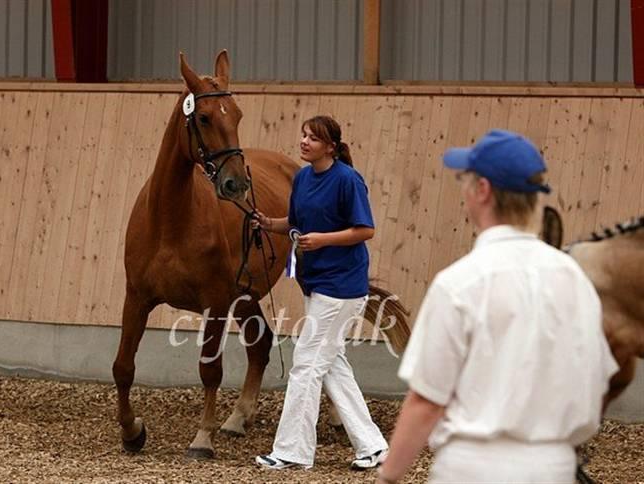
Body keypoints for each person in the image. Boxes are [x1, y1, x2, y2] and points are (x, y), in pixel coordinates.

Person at [376, 129, 619, 484]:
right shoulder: (574, 278)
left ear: (483, 190)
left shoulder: (459, 283)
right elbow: (597, 378)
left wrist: (390, 476)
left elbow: (427, 401)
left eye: (465, 181)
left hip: (474, 466)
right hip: (553, 465)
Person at [252, 115, 388, 470]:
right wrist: (269, 223)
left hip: (342, 287)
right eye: (303, 135)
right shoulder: (302, 178)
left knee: (306, 364)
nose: (304, 141)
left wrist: (323, 240)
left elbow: (365, 229)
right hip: (314, 283)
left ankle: (292, 452)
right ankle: (372, 446)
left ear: (331, 146)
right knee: (331, 366)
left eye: (313, 138)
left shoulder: (347, 180)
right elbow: (295, 223)